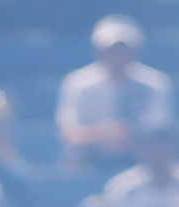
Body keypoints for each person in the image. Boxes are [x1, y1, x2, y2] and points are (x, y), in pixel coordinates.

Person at [56, 13, 174, 171]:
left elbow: (159, 132)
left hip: (140, 159)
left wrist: (129, 135)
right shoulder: (78, 83)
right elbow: (69, 132)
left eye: (124, 50)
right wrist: (101, 134)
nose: (118, 56)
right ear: (98, 51)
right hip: (91, 157)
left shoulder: (156, 83)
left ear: (135, 52)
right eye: (112, 50)